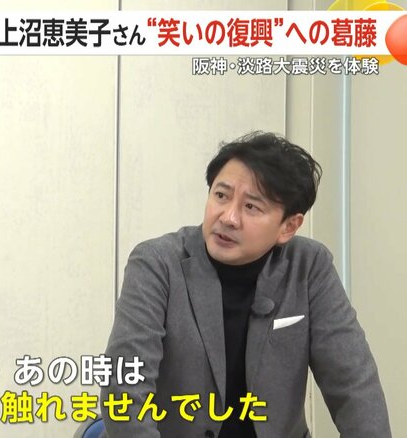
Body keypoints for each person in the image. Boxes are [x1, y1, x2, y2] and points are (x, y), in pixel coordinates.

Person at [101, 132, 390, 437]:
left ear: (288, 226)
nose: (229, 217)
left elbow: (354, 384)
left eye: (251, 207)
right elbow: (124, 386)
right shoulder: (157, 263)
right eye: (221, 195)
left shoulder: (309, 266)